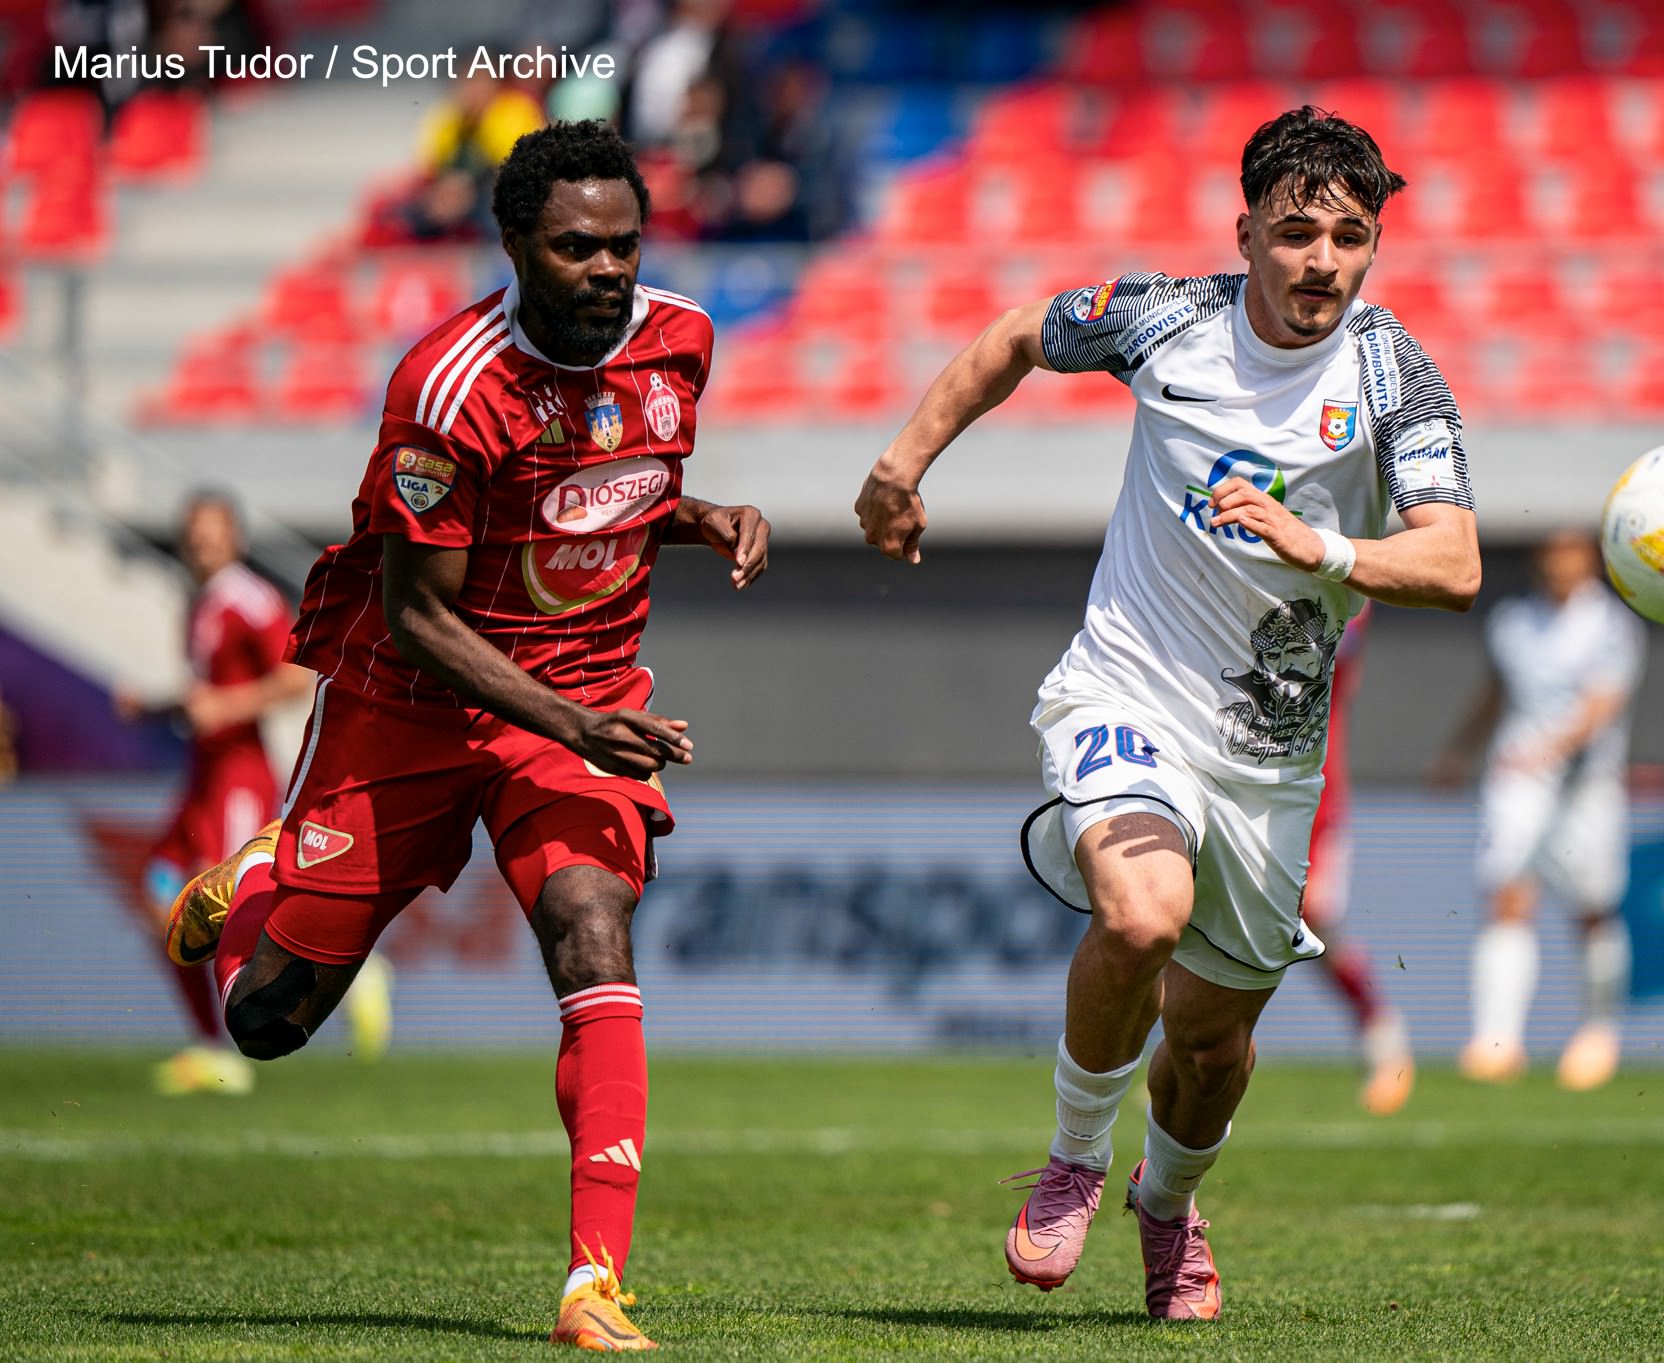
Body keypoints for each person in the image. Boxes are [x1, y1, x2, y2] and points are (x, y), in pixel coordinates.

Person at [855, 106, 1479, 1321]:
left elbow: (1451, 565)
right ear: (1242, 229)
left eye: (1351, 237)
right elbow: (1017, 334)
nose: (1322, 262)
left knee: (1207, 1049)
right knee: (1141, 917)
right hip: (1125, 688)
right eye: (1295, 232)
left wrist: (1324, 547)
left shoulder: (1391, 372)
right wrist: (900, 464)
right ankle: (1074, 1159)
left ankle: (1167, 1201)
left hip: (1265, 759)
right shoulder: (1166, 318)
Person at [160, 120, 769, 1352]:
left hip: (577, 700)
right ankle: (271, 867)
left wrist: (697, 512)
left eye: (624, 245)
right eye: (577, 248)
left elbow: (597, 483)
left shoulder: (682, 343)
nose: (608, 269)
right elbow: (418, 616)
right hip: (413, 709)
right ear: (512, 246)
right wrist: (577, 718)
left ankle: (592, 1284)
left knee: (591, 923)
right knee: (268, 1023)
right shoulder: (447, 389)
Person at [115, 493, 337, 1096]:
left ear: (234, 538)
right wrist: (156, 705)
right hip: (201, 778)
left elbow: (298, 674)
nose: (202, 543)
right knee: (159, 893)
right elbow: (204, 696)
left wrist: (226, 707)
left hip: (239, 776)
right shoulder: (201, 603)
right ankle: (208, 1043)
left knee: (228, 907)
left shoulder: (250, 600)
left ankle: (229, 1045)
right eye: (193, 532)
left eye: (213, 532)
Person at [1433, 528, 1646, 1092]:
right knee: (1506, 895)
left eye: (1571, 555)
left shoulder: (1612, 627)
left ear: (1592, 563)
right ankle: (1497, 1041)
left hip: (1586, 786)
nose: (1560, 565)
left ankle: (1599, 1035)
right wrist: (1461, 749)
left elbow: (1602, 705)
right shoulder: (1513, 622)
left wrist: (1549, 750)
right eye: (1551, 554)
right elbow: (1496, 692)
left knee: (1593, 908)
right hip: (1518, 782)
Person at [1301, 608, 1414, 1115]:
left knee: (1311, 920)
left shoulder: (1341, 585)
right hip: (1227, 776)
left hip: (1309, 787)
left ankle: (1382, 1034)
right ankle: (1179, 1054)